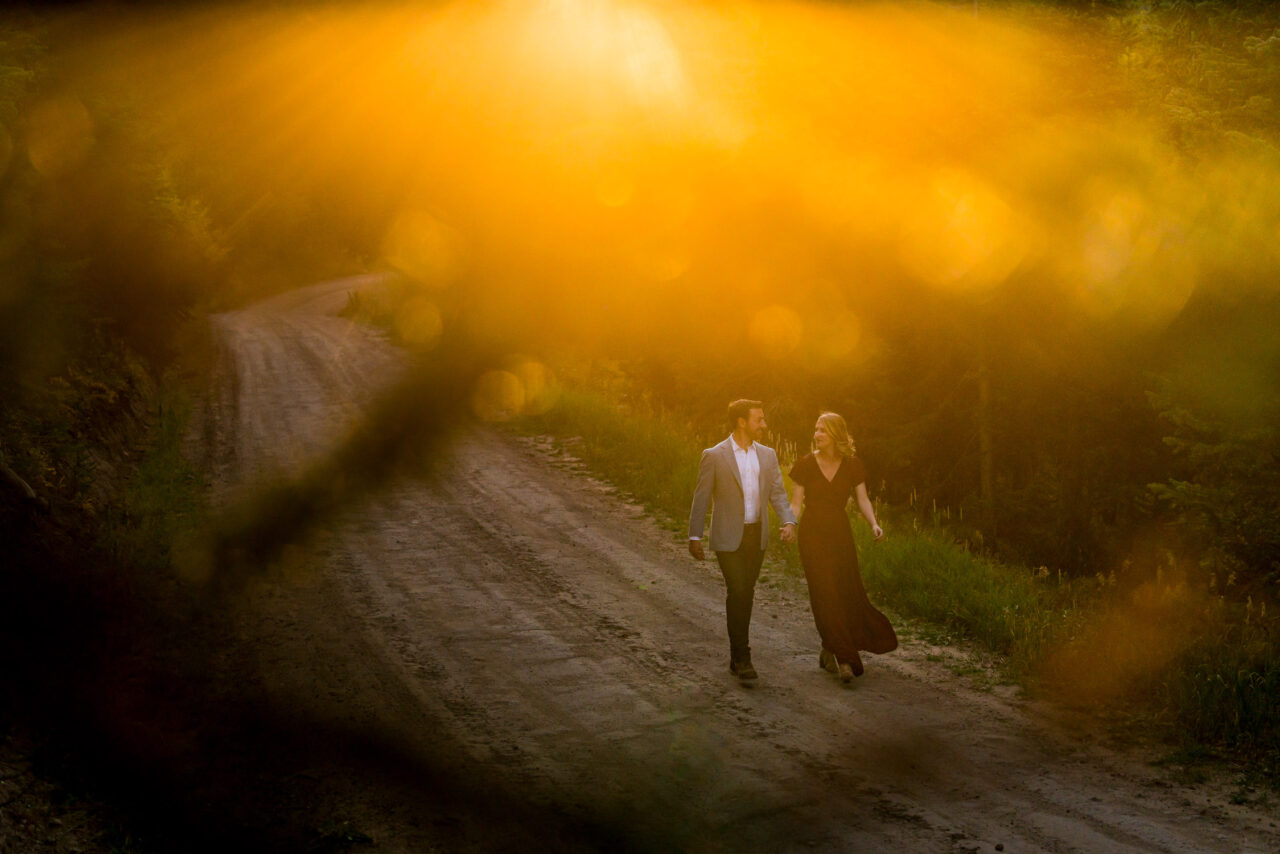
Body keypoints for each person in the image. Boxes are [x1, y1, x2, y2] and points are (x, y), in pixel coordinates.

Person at [689, 399, 797, 682]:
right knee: (737, 589)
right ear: (741, 422)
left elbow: (777, 493)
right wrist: (694, 535)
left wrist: (788, 521)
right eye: (759, 419)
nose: (764, 425)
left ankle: (737, 655)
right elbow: (701, 497)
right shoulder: (714, 455)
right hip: (727, 536)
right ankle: (741, 655)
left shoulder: (768, 455)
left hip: (756, 535)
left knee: (746, 592)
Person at [788, 411, 897, 683]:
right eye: (816, 429)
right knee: (824, 592)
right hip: (812, 535)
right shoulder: (805, 464)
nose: (816, 434)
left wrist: (874, 523)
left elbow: (863, 499)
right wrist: (790, 524)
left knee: (844, 592)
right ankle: (845, 658)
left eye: (822, 430)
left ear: (836, 434)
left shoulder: (852, 465)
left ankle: (830, 648)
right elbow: (795, 503)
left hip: (840, 535)